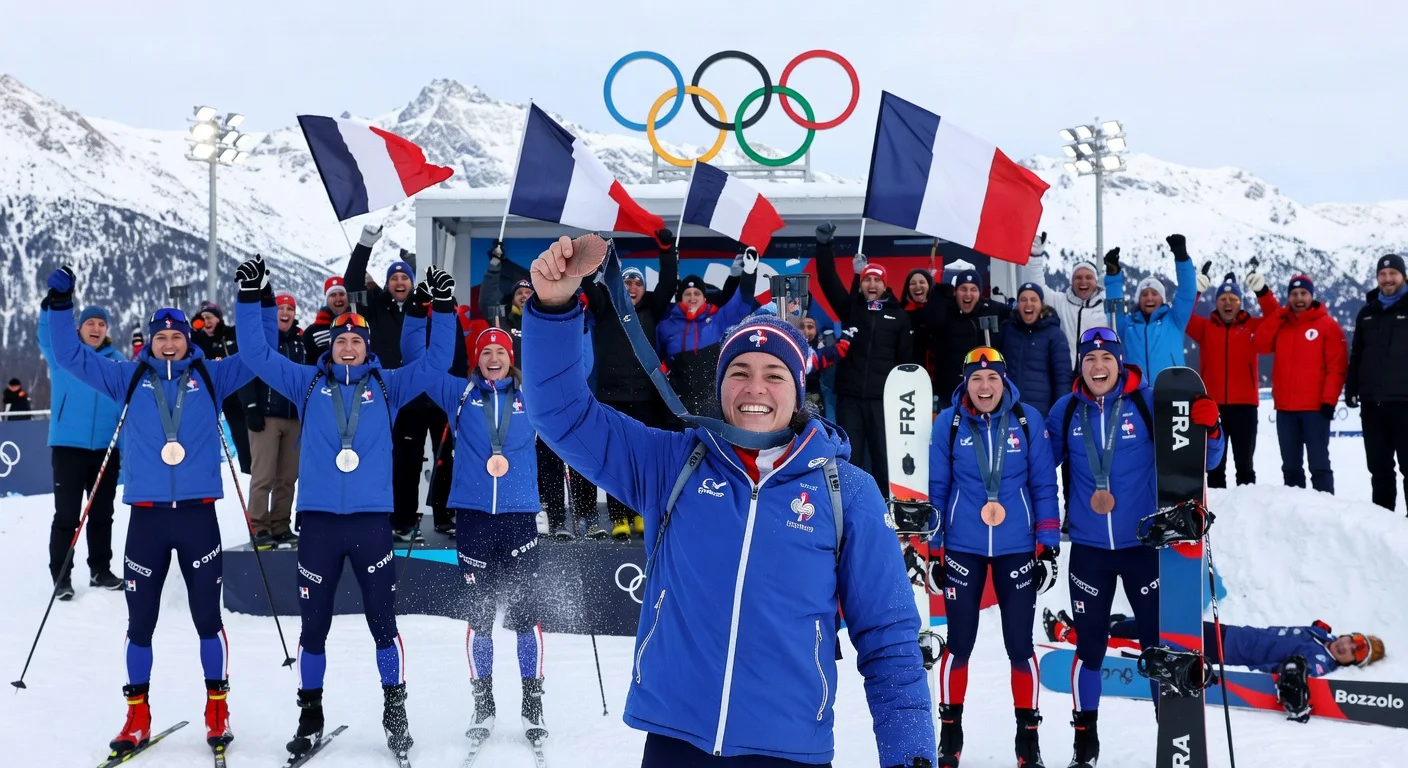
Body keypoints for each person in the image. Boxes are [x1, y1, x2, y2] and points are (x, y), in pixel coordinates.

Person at [522, 236, 934, 768]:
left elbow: (889, 639)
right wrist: (554, 309)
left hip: (788, 749)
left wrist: (911, 757)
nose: (754, 387)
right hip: (676, 740)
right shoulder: (672, 462)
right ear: (720, 388)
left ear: (798, 389)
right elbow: (564, 416)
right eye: (739, 372)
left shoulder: (845, 490)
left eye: (774, 374)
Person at [44, 266, 275, 758]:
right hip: (147, 519)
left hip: (197, 518)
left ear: (188, 338)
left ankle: (217, 708)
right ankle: (136, 714)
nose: (169, 344)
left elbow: (259, 355)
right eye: (161, 337)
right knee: (140, 622)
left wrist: (252, 298)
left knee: (207, 619)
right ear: (149, 341)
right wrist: (61, 303)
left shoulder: (211, 375)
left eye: (176, 336)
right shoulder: (127, 376)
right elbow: (67, 355)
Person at [232, 256, 456, 763]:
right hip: (317, 525)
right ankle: (310, 715)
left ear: (367, 346)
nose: (348, 345)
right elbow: (255, 351)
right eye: (340, 340)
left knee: (383, 623)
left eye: (356, 339)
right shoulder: (307, 384)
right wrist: (251, 299)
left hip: (372, 523)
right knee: (313, 627)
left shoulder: (387, 386)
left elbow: (436, 362)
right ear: (329, 347)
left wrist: (441, 308)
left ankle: (395, 714)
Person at [1045, 327, 1224, 768]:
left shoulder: (1148, 404)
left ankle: (1173, 733)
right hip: (1088, 551)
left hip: (1145, 548)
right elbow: (1031, 469)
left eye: (1106, 359)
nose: (1098, 367)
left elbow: (1205, 461)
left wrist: (1211, 429)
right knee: (1088, 649)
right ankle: (1084, 741)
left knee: (1157, 647)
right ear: (1080, 366)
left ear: (1120, 363)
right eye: (1089, 360)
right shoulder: (1065, 412)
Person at [405, 323, 549, 743]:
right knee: (480, 617)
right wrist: (426, 313)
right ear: (476, 359)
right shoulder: (460, 394)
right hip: (473, 517)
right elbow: (422, 362)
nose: (492, 358)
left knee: (525, 616)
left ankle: (531, 701)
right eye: (485, 352)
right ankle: (483, 703)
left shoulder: (531, 396)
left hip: (519, 516)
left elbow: (579, 370)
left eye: (499, 352)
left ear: (510, 357)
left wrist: (576, 314)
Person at [927, 346, 1059, 768]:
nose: (985, 387)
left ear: (1005, 382)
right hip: (963, 545)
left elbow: (1043, 486)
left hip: (1016, 546)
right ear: (965, 383)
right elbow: (937, 488)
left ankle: (1028, 738)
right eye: (976, 379)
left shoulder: (1027, 421)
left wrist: (1049, 547)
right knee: (959, 644)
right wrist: (932, 550)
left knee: (1020, 647)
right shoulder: (947, 424)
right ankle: (951, 735)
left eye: (993, 379)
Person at [345, 223, 458, 541]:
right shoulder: (374, 308)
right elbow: (352, 281)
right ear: (387, 283)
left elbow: (451, 347)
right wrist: (366, 243)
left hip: (434, 397)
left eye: (404, 277)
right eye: (394, 277)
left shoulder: (427, 309)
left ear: (412, 283)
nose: (399, 282)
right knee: (403, 461)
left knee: (444, 457)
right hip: (397, 398)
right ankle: (403, 520)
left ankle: (445, 516)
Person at [483, 241, 602, 538]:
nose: (524, 296)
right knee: (542, 459)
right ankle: (552, 516)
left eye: (529, 293)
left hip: (559, 397)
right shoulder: (505, 322)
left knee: (576, 455)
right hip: (519, 402)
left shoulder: (547, 321)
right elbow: (487, 298)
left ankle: (586, 517)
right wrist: (495, 266)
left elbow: (582, 358)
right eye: (520, 293)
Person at [582, 230, 679, 539]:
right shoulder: (605, 307)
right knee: (617, 458)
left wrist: (666, 249)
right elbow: (586, 281)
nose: (633, 287)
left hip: (646, 398)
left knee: (644, 458)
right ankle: (619, 517)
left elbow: (668, 283)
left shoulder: (652, 310)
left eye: (638, 283)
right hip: (611, 396)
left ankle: (640, 514)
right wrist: (589, 253)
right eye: (628, 282)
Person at [812, 222, 912, 495]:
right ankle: (848, 507)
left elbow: (905, 362)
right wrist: (824, 245)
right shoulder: (852, 309)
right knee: (851, 457)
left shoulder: (898, 316)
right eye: (867, 279)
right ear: (862, 283)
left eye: (877, 279)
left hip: (883, 401)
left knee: (883, 459)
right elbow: (828, 280)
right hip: (851, 398)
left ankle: (883, 509)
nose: (871, 283)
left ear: (884, 285)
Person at [37, 303, 126, 598]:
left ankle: (100, 570)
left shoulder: (117, 362)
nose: (97, 329)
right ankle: (61, 576)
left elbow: (125, 406)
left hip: (105, 448)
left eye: (102, 324)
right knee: (67, 515)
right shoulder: (64, 355)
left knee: (102, 513)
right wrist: (51, 307)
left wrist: (123, 449)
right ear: (79, 327)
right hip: (68, 447)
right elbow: (46, 335)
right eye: (91, 323)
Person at [1255, 274, 1348, 494]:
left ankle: (1325, 509)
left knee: (1319, 465)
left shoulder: (1327, 325)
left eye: (1303, 294)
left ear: (1311, 296)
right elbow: (1260, 343)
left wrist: (1329, 401)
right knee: (1291, 467)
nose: (1298, 298)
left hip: (1315, 410)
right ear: (1288, 298)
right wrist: (1278, 314)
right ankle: (1296, 513)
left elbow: (1337, 367)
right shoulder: (1282, 324)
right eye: (1294, 294)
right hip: (1286, 410)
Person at [1185, 272, 1279, 487]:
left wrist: (1263, 292)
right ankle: (1218, 512)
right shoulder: (1205, 328)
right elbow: (1183, 316)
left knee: (1245, 466)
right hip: (1212, 406)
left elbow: (1276, 317)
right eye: (1223, 299)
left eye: (1233, 299)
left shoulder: (1253, 327)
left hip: (1245, 406)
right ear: (1216, 303)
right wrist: (1196, 291)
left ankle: (1246, 510)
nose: (1228, 302)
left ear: (1240, 303)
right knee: (1215, 466)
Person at [654, 249, 761, 417]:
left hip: (713, 400)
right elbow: (656, 359)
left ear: (704, 298)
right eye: (687, 294)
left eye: (697, 293)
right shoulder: (665, 326)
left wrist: (749, 273)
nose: (692, 297)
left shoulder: (718, 319)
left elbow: (742, 303)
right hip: (678, 402)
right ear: (680, 298)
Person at [240, 291, 306, 548]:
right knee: (263, 476)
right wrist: (251, 407)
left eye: (290, 309)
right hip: (266, 416)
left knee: (288, 477)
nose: (285, 313)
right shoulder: (263, 340)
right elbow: (246, 372)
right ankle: (258, 526)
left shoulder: (300, 344)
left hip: (293, 418)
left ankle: (280, 524)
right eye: (281, 309)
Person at [1346, 254, 1408, 512]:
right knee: (1379, 468)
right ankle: (1382, 525)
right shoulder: (1367, 312)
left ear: (1403, 276)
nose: (1387, 279)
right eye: (1382, 275)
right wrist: (1352, 387)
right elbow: (1357, 353)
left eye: (1393, 273)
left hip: (1405, 404)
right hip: (1373, 404)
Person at [1102, 237, 1198, 380]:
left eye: (1155, 293)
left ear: (1163, 299)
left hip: (1171, 387)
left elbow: (1187, 293)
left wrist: (1182, 258)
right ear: (1138, 300)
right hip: (1136, 391)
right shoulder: (1128, 325)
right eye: (1144, 294)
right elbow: (1114, 311)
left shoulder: (1175, 320)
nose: (1149, 298)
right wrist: (1113, 276)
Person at [1018, 233, 1112, 370]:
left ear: (1096, 282)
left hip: (1095, 372)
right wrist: (1036, 256)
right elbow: (1038, 288)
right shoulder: (1060, 301)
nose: (1083, 281)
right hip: (1065, 372)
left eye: (1088, 277)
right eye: (1078, 277)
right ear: (1072, 282)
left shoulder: (1105, 307)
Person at [920, 262, 1011, 393]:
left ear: (980, 294)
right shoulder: (944, 313)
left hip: (980, 390)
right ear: (955, 292)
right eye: (963, 289)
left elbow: (1016, 314)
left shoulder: (990, 310)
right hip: (949, 390)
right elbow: (929, 319)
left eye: (973, 289)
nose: (968, 294)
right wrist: (937, 291)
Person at [191, 301, 252, 474]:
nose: (207, 322)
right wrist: (195, 328)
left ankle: (248, 470)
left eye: (210, 317)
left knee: (243, 436)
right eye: (203, 319)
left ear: (219, 319)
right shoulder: (197, 339)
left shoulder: (230, 333)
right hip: (210, 395)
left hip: (236, 394)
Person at [998, 282, 1073, 416]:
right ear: (1018, 304)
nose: (1028, 304)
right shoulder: (1007, 330)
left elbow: (1063, 379)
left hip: (1040, 413)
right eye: (1023, 299)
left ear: (1041, 305)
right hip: (1008, 410)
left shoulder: (1055, 334)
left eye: (1034, 299)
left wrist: (1060, 413)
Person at [801, 315, 849, 419]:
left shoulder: (824, 344)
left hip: (819, 398)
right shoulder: (791, 347)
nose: (805, 331)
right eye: (801, 327)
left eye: (810, 327)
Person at [305, 276, 352, 363]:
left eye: (341, 294)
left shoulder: (359, 325)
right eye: (333, 295)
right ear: (327, 299)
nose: (338, 299)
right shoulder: (312, 332)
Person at [901, 268, 935, 372]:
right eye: (913, 283)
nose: (917, 286)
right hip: (907, 374)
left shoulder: (938, 313)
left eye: (922, 282)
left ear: (929, 286)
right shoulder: (901, 314)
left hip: (935, 375)